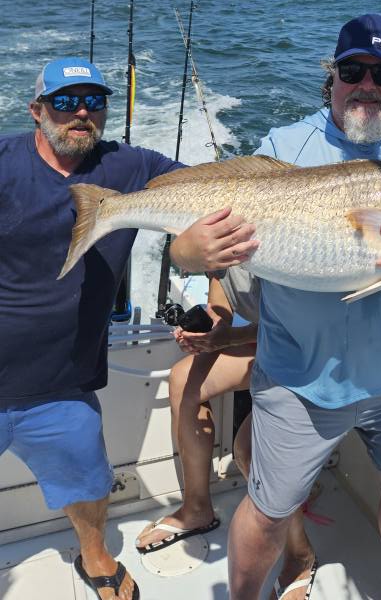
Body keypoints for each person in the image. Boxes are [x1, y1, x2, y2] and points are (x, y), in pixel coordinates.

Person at [172, 14, 381, 600]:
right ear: (331, 78)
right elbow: (193, 244)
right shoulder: (285, 146)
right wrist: (186, 251)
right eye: (353, 70)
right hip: (299, 378)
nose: (367, 85)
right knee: (270, 509)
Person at [0, 57, 248, 600]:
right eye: (66, 102)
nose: (81, 112)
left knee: (88, 485)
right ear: (37, 110)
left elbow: (215, 190)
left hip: (61, 385)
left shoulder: (128, 167)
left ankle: (94, 555)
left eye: (94, 101)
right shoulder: (4, 161)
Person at [133, 271, 317, 600]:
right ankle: (196, 509)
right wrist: (212, 327)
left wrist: (229, 339)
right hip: (261, 342)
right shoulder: (221, 235)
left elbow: (301, 326)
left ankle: (300, 553)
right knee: (182, 382)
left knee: (246, 450)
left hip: (310, 349)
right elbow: (221, 299)